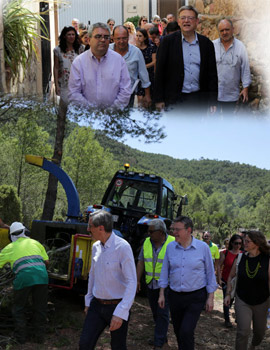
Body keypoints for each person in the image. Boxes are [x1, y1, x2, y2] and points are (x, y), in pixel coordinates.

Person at [79, 210, 137, 350]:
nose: (88, 229)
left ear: (101, 228)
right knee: (85, 344)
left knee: (118, 347)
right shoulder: (95, 247)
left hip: (116, 306)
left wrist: (121, 312)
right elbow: (92, 274)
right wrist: (88, 301)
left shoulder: (122, 247)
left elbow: (132, 281)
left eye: (90, 226)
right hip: (96, 306)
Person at [158, 216, 217, 350]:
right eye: (173, 229)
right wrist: (162, 293)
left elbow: (209, 273)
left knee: (186, 331)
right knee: (178, 331)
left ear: (188, 230)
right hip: (175, 296)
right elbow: (164, 271)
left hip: (195, 297)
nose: (174, 232)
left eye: (177, 229)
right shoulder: (170, 247)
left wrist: (211, 297)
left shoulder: (203, 248)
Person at [154, 5, 218, 112]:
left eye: (190, 18)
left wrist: (212, 101)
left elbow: (212, 74)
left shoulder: (206, 44)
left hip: (198, 99)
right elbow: (159, 71)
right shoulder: (167, 42)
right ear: (178, 21)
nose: (186, 21)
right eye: (183, 18)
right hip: (174, 99)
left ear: (197, 21)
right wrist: (158, 99)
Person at [0, 222, 49, 344]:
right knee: (40, 307)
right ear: (24, 231)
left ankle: (21, 338)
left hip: (23, 279)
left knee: (19, 308)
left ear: (11, 236)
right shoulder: (35, 242)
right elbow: (47, 262)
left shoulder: (10, 247)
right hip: (42, 277)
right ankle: (39, 337)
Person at [68, 22, 132, 109]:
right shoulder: (79, 62)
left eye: (106, 37)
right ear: (89, 40)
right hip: (87, 117)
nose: (102, 40)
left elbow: (125, 90)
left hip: (113, 116)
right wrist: (92, 111)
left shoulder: (119, 61)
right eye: (98, 36)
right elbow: (74, 92)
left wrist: (111, 111)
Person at [224, 230, 270, 350]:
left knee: (260, 333)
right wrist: (228, 294)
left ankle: (253, 345)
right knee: (243, 332)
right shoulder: (240, 258)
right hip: (242, 299)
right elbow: (231, 276)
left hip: (262, 301)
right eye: (244, 240)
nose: (244, 243)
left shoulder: (267, 259)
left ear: (257, 243)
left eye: (247, 241)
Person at [136, 219, 174, 350]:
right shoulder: (147, 242)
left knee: (163, 313)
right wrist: (137, 280)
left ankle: (158, 343)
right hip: (151, 284)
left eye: (151, 231)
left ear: (161, 232)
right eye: (148, 231)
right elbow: (141, 262)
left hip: (166, 286)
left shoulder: (173, 243)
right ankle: (162, 336)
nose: (149, 234)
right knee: (156, 313)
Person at [213, 18, 251, 115]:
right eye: (222, 30)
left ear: (233, 29)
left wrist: (245, 88)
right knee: (213, 123)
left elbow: (245, 68)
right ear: (218, 32)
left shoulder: (240, 47)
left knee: (228, 123)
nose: (224, 32)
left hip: (232, 95)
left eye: (227, 29)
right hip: (214, 95)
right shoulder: (212, 46)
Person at [110, 25, 151, 107]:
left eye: (124, 38)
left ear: (128, 37)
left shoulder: (136, 52)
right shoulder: (106, 51)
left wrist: (147, 95)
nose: (121, 41)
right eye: (118, 38)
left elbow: (143, 74)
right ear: (113, 38)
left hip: (128, 96)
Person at [53, 26, 84, 117]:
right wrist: (56, 85)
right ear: (64, 36)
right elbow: (56, 67)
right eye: (69, 35)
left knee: (78, 110)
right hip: (64, 84)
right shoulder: (57, 50)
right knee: (64, 110)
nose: (71, 37)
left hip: (78, 84)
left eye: (73, 34)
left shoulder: (80, 49)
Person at [217, 234, 243, 328]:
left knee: (235, 300)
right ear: (232, 243)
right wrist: (219, 278)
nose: (238, 245)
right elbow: (219, 265)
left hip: (238, 282)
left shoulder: (243, 254)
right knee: (227, 300)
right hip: (226, 281)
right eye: (236, 243)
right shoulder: (225, 253)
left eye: (240, 243)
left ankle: (238, 317)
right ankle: (227, 320)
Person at [135, 28, 156, 103]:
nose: (138, 37)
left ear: (145, 37)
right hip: (138, 76)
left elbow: (154, 61)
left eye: (140, 36)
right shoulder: (134, 49)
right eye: (136, 35)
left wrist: (143, 67)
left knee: (149, 99)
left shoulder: (151, 47)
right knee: (140, 99)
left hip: (149, 74)